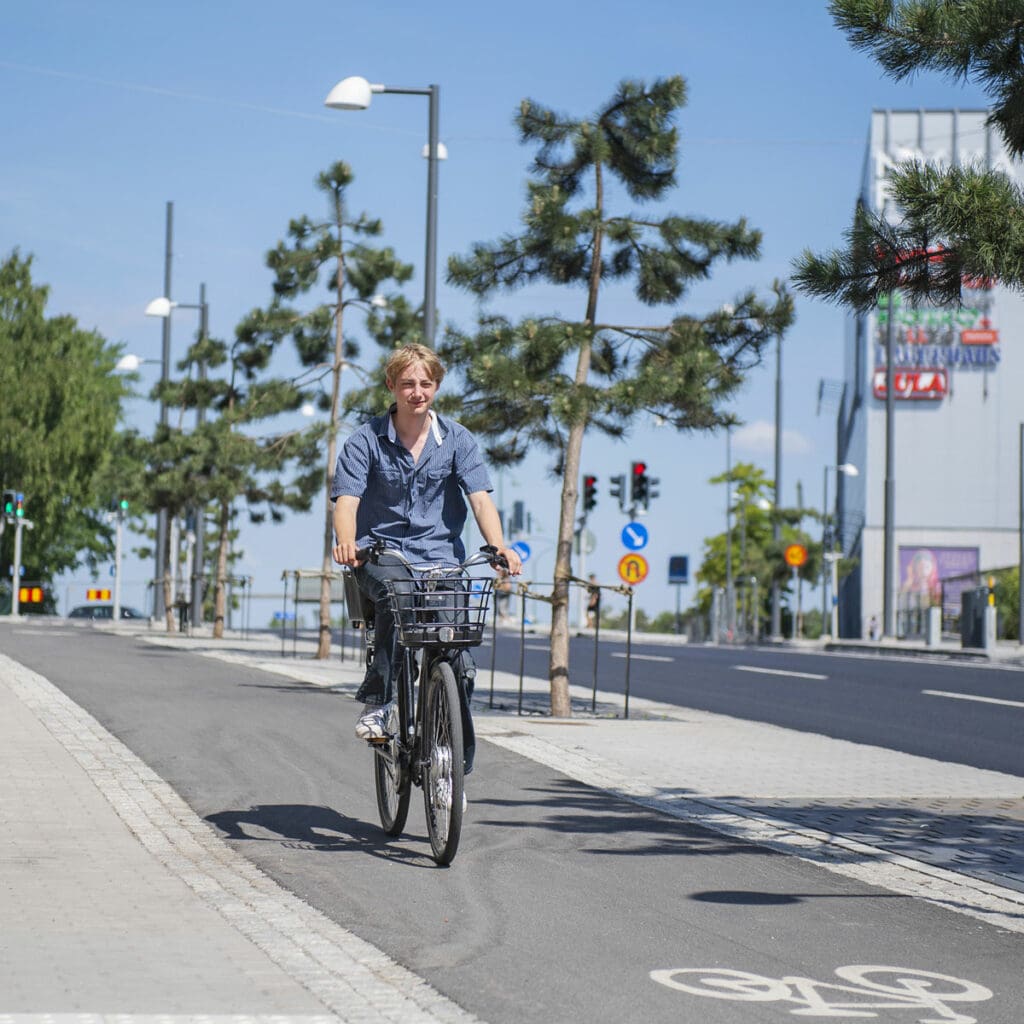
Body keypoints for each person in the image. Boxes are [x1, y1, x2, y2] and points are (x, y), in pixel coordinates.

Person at [331, 343, 522, 746]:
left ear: (436, 386)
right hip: (382, 553)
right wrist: (347, 542)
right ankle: (380, 703)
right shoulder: (364, 441)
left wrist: (499, 546)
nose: (417, 392)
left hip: (440, 560)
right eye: (407, 384)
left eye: (426, 383)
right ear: (391, 386)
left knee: (461, 664)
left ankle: (450, 762)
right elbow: (346, 502)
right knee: (396, 599)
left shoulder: (457, 440)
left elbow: (481, 498)